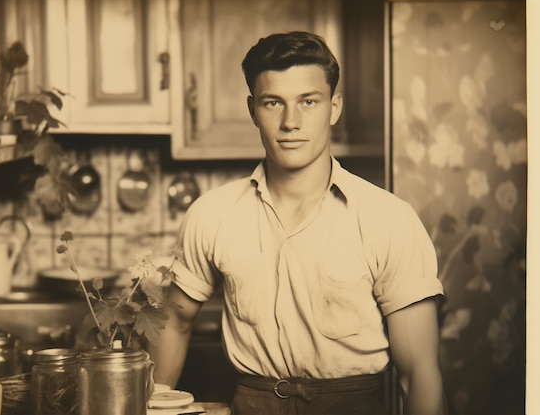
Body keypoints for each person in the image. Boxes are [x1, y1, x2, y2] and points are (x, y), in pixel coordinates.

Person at [147, 31, 446, 415]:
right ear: (253, 109)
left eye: (309, 101)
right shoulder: (212, 214)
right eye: (274, 103)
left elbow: (419, 373)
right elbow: (174, 319)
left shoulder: (389, 219)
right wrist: (150, 404)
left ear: (334, 107)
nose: (291, 121)